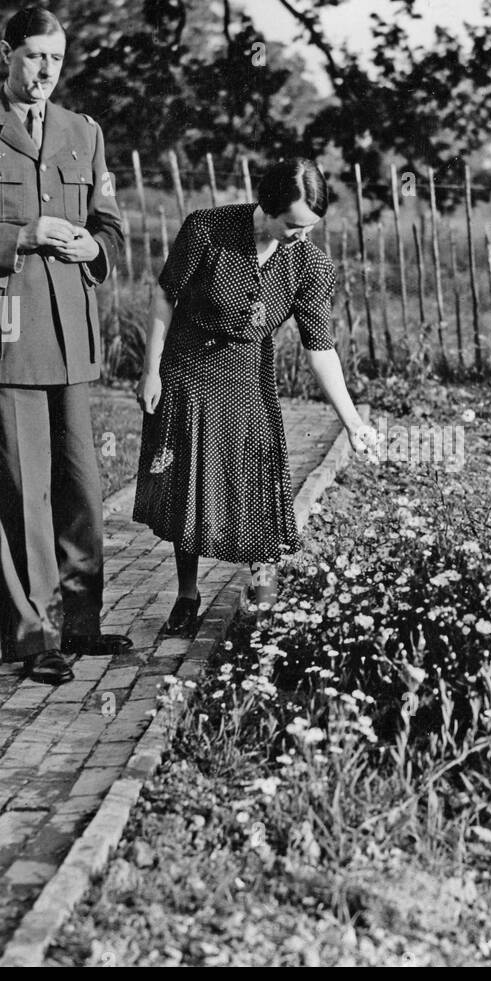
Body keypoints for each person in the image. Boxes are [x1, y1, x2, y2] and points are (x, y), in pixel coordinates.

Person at [0, 6, 133, 684]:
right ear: (7, 54)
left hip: (70, 334)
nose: (45, 71)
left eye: (55, 59)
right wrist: (21, 237)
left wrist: (92, 243)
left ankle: (81, 623)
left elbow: (111, 231)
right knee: (18, 487)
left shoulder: (83, 133)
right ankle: (31, 634)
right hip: (1, 332)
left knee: (79, 483)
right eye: (33, 56)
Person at [132, 157, 378, 636]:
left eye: (309, 228)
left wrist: (352, 421)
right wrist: (150, 371)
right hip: (188, 370)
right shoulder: (207, 228)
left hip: (248, 378)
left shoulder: (310, 265)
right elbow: (165, 295)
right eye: (292, 226)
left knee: (256, 480)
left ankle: (262, 588)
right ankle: (187, 594)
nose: (300, 237)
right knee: (188, 484)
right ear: (266, 207)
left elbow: (320, 349)